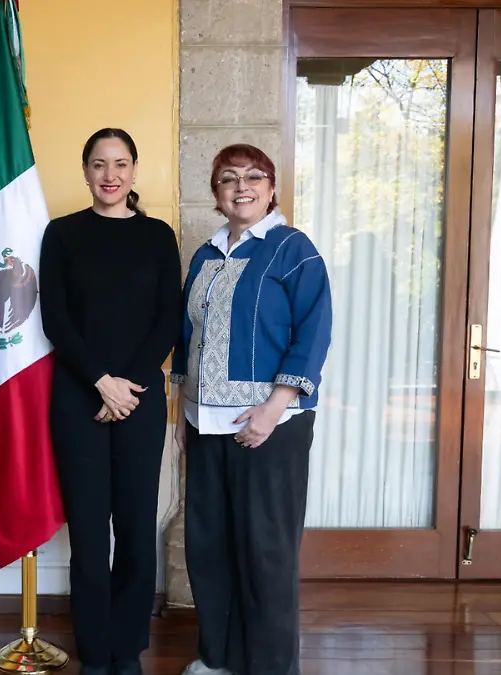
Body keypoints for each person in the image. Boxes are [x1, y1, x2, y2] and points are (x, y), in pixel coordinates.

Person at [171, 143, 332, 675]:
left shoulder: (293, 249)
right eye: (228, 178)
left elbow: (313, 330)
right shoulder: (206, 254)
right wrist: (180, 414)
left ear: (271, 187)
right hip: (204, 422)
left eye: (253, 176)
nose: (242, 186)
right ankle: (217, 659)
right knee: (210, 547)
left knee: (266, 551)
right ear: (215, 193)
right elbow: (186, 333)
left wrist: (273, 408)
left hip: (269, 425)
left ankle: (269, 666)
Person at [38, 128, 182, 675]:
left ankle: (128, 648)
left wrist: (127, 387)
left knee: (136, 525)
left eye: (120, 163)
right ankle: (95, 651)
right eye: (99, 164)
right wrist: (101, 381)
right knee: (91, 533)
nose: (110, 174)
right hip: (79, 399)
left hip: (140, 399)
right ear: (85, 171)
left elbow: (168, 318)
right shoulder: (62, 234)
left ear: (134, 171)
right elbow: (56, 320)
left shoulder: (157, 236)